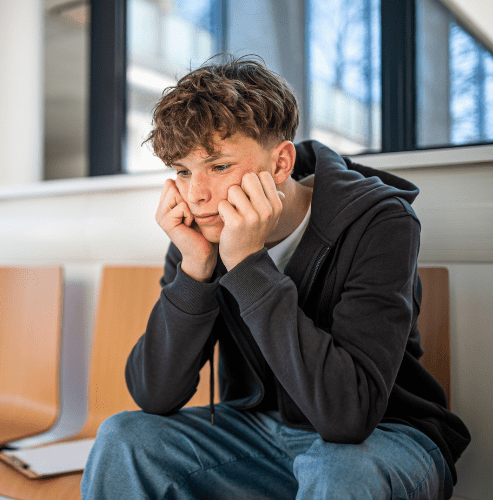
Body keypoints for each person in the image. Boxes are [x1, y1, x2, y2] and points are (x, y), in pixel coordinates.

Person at [80, 54, 470, 500]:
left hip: (384, 438)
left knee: (340, 472)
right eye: (183, 172)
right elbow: (155, 395)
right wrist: (195, 270)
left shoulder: (382, 222)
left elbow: (350, 416)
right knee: (124, 438)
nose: (196, 194)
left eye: (219, 166)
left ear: (281, 164)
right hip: (258, 433)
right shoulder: (201, 231)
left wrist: (247, 266)